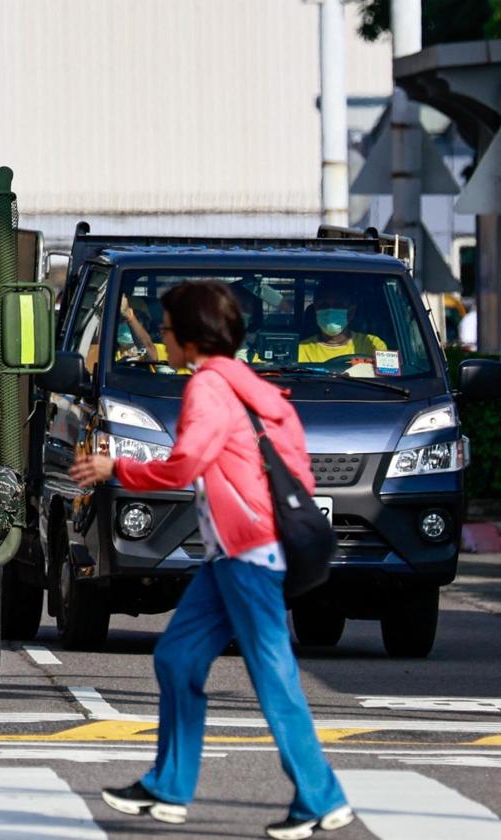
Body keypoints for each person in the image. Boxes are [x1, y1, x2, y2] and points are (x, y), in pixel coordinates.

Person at [69, 281, 355, 840]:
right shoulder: (250, 384)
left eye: (168, 330)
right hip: (235, 551)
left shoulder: (207, 388)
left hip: (246, 552)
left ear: (191, 337)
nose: (163, 340)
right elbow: (294, 455)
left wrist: (117, 470)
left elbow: (182, 467)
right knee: (176, 658)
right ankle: (169, 788)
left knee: (274, 680)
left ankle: (322, 796)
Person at [297, 279, 385, 364]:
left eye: (338, 305)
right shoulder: (301, 349)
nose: (330, 311)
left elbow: (385, 374)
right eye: (324, 305)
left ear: (351, 312)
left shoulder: (371, 344)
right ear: (316, 309)